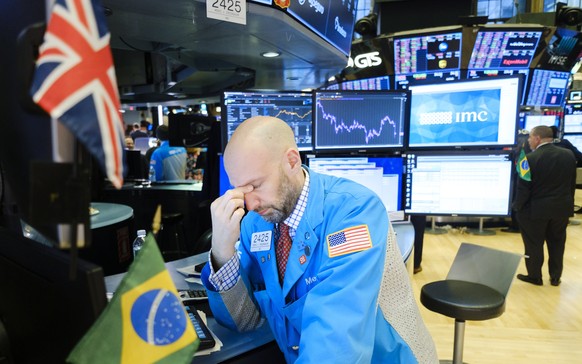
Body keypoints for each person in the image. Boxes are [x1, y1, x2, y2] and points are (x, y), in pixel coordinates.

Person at [201, 116, 438, 363]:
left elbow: (337, 346)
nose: (250, 204)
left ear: (292, 161)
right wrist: (221, 249)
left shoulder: (354, 214)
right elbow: (244, 319)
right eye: (240, 190)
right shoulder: (257, 223)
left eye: (256, 186)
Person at [513, 125, 577, 287]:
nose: (528, 141)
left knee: (534, 244)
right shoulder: (568, 155)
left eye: (530, 138)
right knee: (557, 243)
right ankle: (555, 277)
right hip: (561, 209)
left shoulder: (527, 159)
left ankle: (535, 276)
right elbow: (571, 184)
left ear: (537, 138)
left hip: (535, 211)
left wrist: (517, 207)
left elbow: (523, 189)